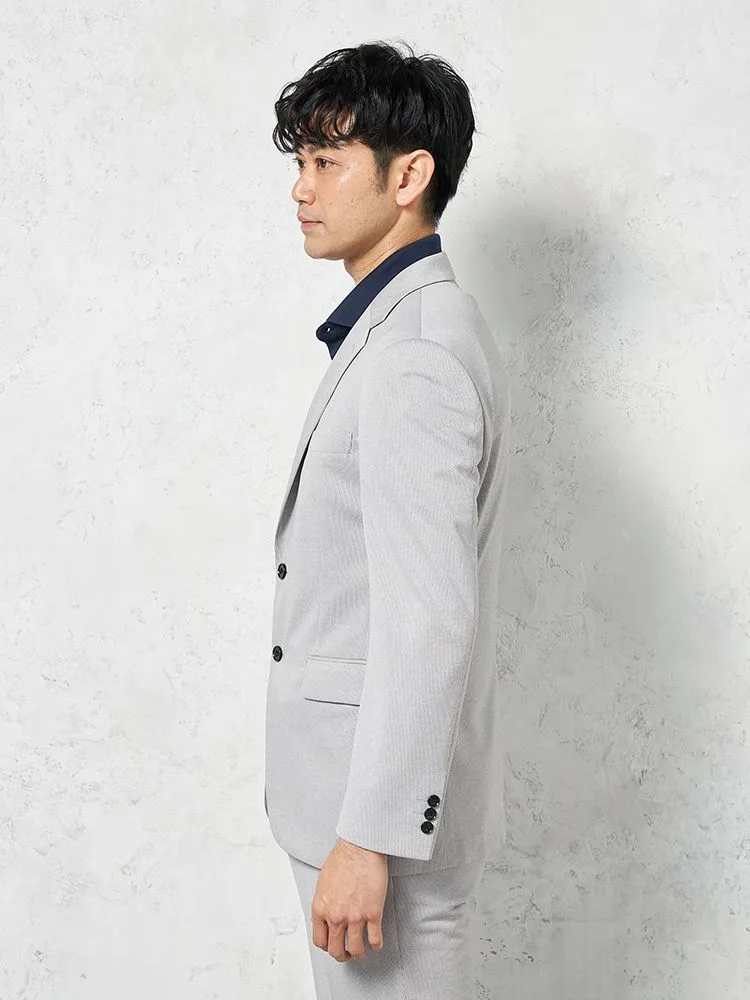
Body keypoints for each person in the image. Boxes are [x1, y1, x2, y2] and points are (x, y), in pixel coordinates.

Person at [263, 38, 512, 999]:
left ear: (409, 177)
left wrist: (367, 839)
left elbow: (430, 615)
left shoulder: (413, 355)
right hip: (363, 813)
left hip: (376, 830)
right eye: (300, 162)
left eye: (327, 161)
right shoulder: (406, 331)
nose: (301, 189)